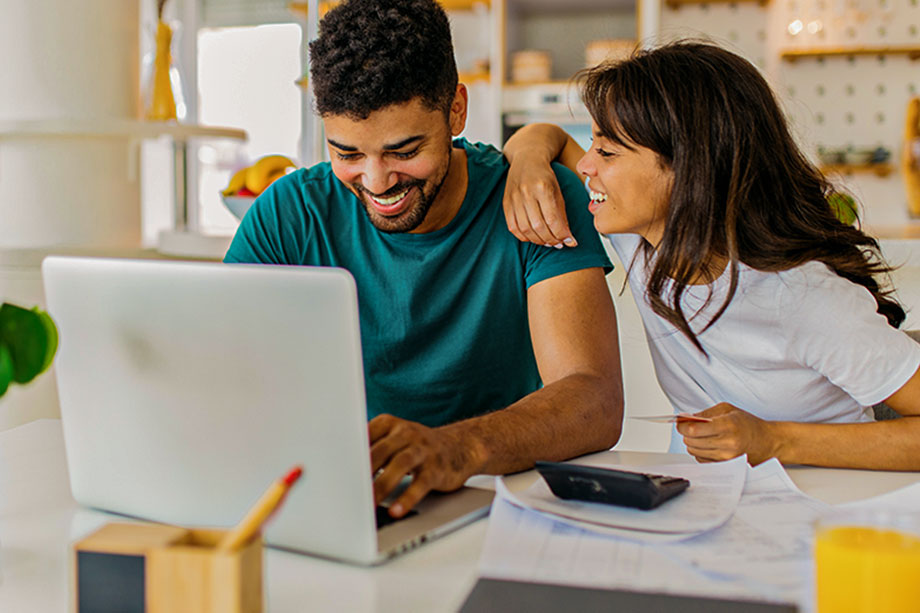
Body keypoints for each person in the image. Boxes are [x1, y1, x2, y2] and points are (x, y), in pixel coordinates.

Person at [224, 0, 624, 517]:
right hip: (342, 502)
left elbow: (594, 400)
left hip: (496, 501)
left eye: (404, 150)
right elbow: (221, 373)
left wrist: (456, 449)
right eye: (347, 154)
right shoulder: (288, 213)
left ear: (456, 109)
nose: (376, 181)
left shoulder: (533, 198)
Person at [502, 41, 920, 470]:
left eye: (607, 152)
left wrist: (774, 440)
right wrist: (529, 163)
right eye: (591, 145)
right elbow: (544, 135)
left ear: (690, 170)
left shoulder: (802, 295)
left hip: (818, 513)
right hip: (706, 508)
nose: (587, 166)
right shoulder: (644, 242)